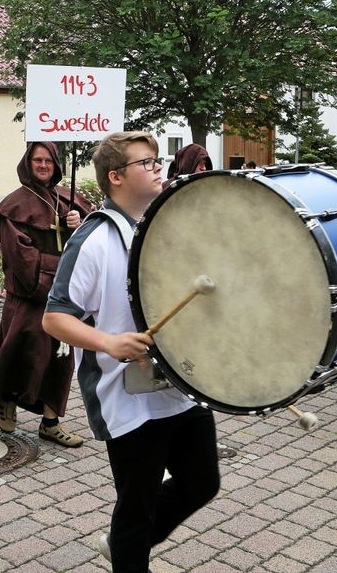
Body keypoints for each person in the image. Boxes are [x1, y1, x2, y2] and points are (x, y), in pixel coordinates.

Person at [42, 131, 219, 570]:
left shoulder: (165, 226)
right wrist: (109, 341)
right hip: (125, 393)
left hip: (179, 381)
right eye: (148, 162)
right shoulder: (94, 240)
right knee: (136, 506)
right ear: (116, 177)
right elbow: (54, 317)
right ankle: (128, 546)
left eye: (159, 160)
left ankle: (122, 540)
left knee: (202, 482)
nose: (159, 167)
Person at [0, 142, 92, 447]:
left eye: (48, 161)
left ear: (56, 164)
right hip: (29, 295)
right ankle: (8, 401)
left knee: (60, 359)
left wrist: (75, 225)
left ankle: (51, 422)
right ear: (28, 163)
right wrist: (57, 276)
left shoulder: (68, 200)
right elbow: (21, 257)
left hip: (61, 297)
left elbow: (86, 243)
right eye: (37, 160)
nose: (43, 165)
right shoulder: (14, 205)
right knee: (20, 353)